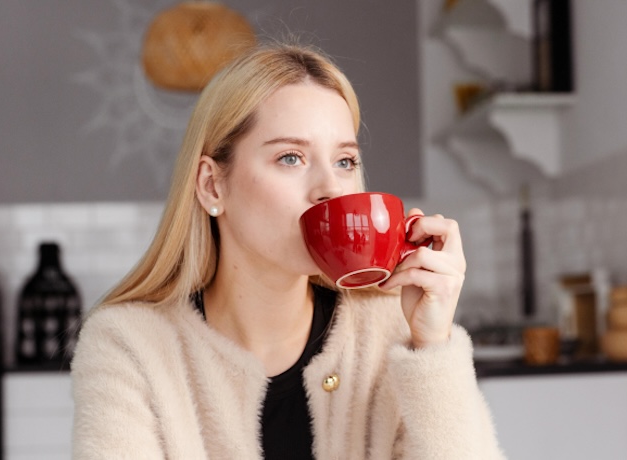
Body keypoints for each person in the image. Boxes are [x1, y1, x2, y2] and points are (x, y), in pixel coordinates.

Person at [71, 42, 505, 459]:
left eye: (345, 161)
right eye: (291, 158)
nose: (330, 189)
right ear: (211, 185)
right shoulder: (127, 345)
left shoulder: (391, 333)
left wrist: (432, 348)